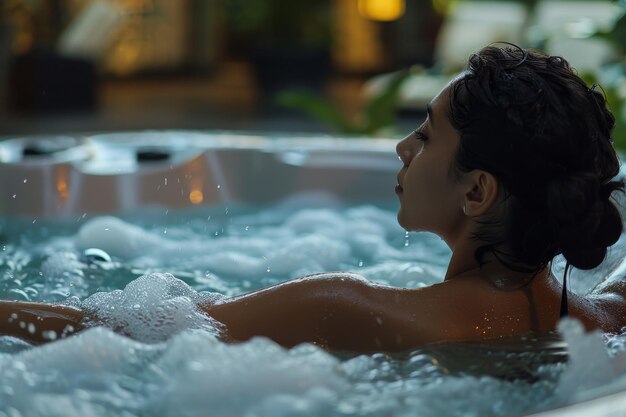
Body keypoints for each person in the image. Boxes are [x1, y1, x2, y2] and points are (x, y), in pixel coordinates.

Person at [1, 44, 625, 352]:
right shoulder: (605, 320)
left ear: (477, 191)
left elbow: (134, 332)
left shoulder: (349, 308)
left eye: (427, 134)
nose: (402, 148)